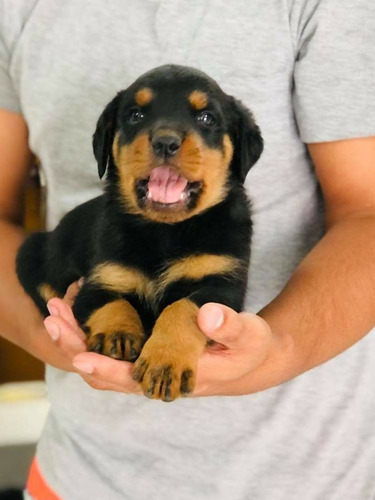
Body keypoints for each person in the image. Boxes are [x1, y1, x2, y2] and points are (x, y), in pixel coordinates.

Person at [1, 0, 374, 499]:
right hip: (81, 476)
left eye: (204, 121)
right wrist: (67, 342)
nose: (167, 135)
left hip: (306, 478)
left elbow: (367, 214)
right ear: (108, 143)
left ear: (238, 152)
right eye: (138, 116)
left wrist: (275, 352)